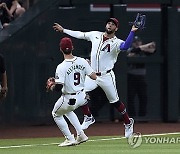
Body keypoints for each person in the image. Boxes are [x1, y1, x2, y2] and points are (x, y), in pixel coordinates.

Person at [53, 17, 140, 138]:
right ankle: (88, 117)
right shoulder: (95, 35)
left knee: (115, 102)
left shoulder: (116, 42)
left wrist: (132, 31)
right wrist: (64, 30)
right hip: (92, 74)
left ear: (116, 28)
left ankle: (128, 122)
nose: (110, 25)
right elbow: (80, 34)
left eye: (113, 24)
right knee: (80, 92)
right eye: (108, 23)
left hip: (106, 75)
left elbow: (125, 47)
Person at [46, 37, 99, 147]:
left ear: (60, 49)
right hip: (81, 97)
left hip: (69, 98)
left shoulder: (61, 67)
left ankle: (69, 138)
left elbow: (58, 88)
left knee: (56, 114)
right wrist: (87, 67)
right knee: (67, 111)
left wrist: (52, 86)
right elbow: (94, 77)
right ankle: (81, 134)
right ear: (72, 48)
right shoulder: (82, 61)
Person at [127, 36, 156, 118]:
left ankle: (143, 117)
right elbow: (131, 53)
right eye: (135, 42)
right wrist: (144, 46)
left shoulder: (144, 51)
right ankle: (132, 117)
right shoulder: (129, 50)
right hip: (131, 77)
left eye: (138, 41)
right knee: (131, 97)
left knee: (143, 97)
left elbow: (153, 49)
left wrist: (146, 47)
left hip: (141, 77)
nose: (137, 43)